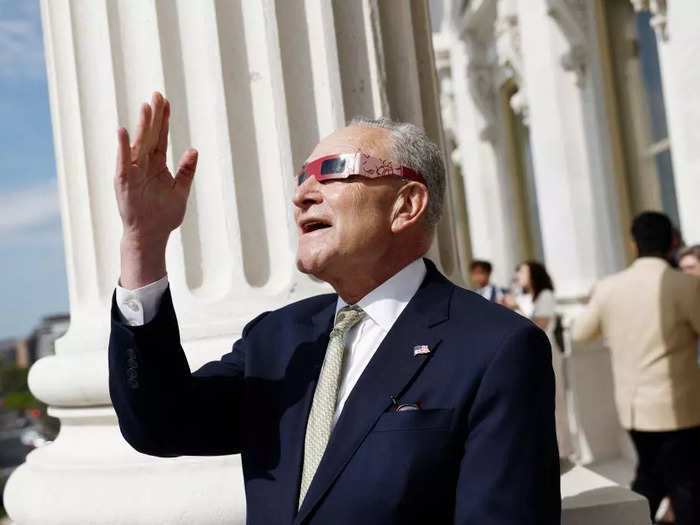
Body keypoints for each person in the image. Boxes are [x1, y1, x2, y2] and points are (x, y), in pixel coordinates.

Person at [109, 92, 561, 524]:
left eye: (333, 170)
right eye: (302, 178)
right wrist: (143, 244)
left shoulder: (496, 348)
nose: (303, 193)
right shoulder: (279, 338)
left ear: (406, 204)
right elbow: (160, 423)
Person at [572, 212, 700, 525]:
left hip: (632, 408)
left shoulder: (609, 287)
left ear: (633, 246)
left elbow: (579, 334)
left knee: (652, 475)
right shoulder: (684, 285)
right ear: (672, 242)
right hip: (679, 406)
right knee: (684, 483)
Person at [500, 262, 574, 460]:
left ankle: (563, 452)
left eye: (522, 271)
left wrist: (516, 307)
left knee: (555, 402)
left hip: (548, 354)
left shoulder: (546, 296)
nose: (518, 275)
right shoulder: (524, 296)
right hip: (531, 356)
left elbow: (540, 325)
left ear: (534, 274)